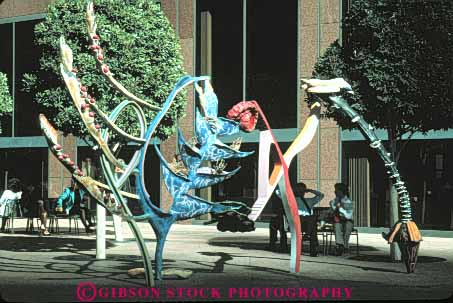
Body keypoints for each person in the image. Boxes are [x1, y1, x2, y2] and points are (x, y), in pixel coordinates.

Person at [275, 182, 324, 256]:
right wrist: (292, 190)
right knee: (312, 224)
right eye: (299, 190)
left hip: (307, 223)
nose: (300, 192)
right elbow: (278, 192)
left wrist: (310, 190)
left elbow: (321, 195)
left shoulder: (309, 201)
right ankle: (307, 235)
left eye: (302, 191)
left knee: (312, 220)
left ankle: (309, 239)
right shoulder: (290, 200)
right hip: (296, 222)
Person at [329, 183, 354, 256]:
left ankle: (344, 245)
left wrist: (340, 209)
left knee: (348, 226)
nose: (335, 192)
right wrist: (332, 207)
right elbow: (331, 211)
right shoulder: (335, 200)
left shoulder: (348, 201)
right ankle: (340, 245)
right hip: (338, 221)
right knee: (337, 225)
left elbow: (348, 216)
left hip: (347, 221)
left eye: (336, 190)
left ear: (341, 191)